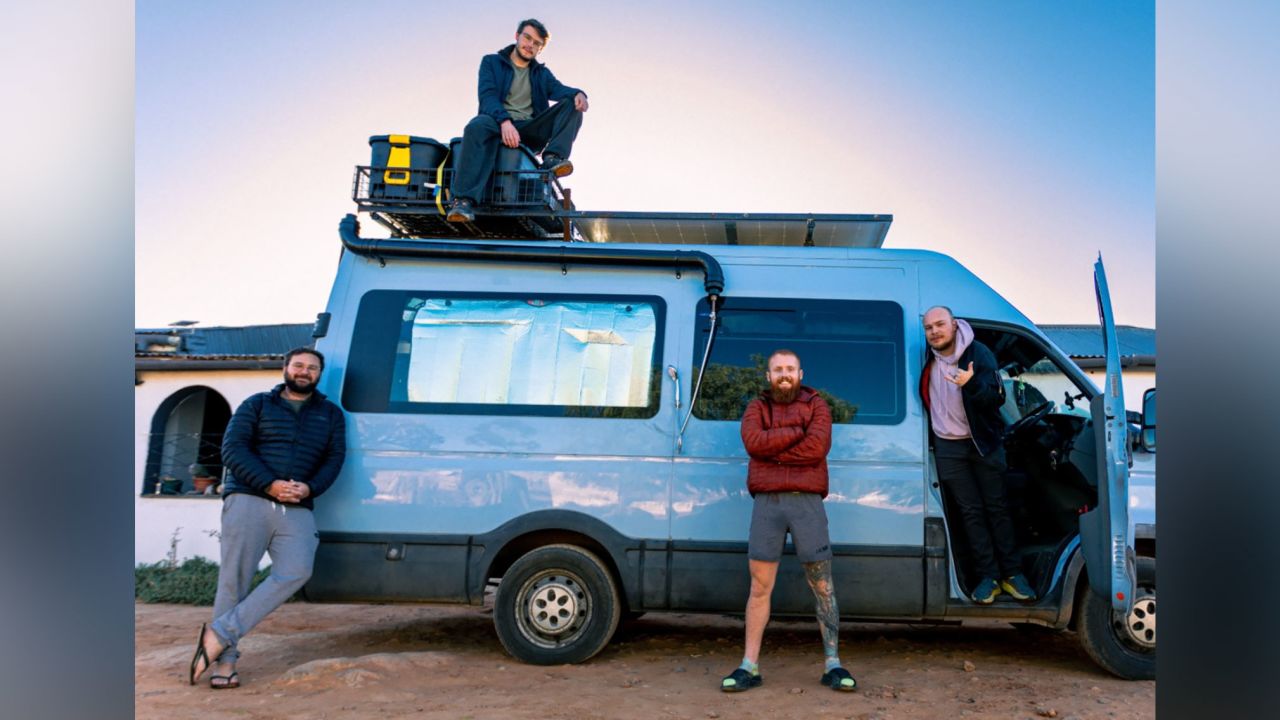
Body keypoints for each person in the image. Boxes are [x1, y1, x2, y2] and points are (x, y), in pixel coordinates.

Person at [188, 347, 347, 689]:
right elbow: (233, 450)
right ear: (285, 368)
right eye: (299, 366)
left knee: (297, 570)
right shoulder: (256, 405)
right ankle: (225, 665)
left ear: (319, 375)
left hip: (298, 506)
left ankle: (219, 633)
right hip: (249, 499)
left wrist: (308, 488)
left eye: (312, 368)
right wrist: (270, 484)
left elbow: (335, 459)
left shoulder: (330, 414)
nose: (305, 372)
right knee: (236, 580)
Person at [721, 350, 857, 693]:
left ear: (800, 372)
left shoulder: (817, 404)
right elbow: (753, 442)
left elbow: (816, 448)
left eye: (790, 369)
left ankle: (833, 664)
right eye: (778, 369)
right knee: (759, 587)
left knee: (822, 585)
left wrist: (772, 454)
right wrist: (796, 431)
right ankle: (748, 665)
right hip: (768, 504)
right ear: (768, 375)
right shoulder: (757, 407)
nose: (784, 374)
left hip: (807, 504)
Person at [920, 306, 1037, 604]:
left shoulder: (978, 353)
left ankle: (1013, 575)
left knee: (996, 508)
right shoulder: (925, 358)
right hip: (948, 447)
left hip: (982, 444)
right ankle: (988, 577)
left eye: (940, 324)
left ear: (955, 325)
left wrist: (970, 384)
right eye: (929, 327)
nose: (934, 331)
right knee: (970, 513)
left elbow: (996, 398)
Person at [446, 18, 588, 223]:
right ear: (517, 36)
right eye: (527, 38)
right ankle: (463, 202)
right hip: (496, 122)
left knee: (572, 105)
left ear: (540, 49)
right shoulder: (491, 62)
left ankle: (552, 159)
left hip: (530, 129)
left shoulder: (541, 74)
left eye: (537, 43)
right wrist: (505, 122)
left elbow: (559, 90)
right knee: (475, 125)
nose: (530, 45)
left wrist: (579, 93)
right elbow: (487, 97)